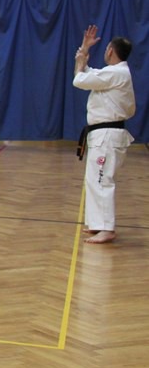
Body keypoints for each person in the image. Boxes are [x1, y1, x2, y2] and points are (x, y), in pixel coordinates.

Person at [72, 25, 135, 244]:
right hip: (103, 135)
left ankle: (107, 228)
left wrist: (83, 55)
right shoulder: (114, 74)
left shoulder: (116, 73)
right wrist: (83, 51)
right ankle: (98, 224)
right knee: (94, 180)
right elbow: (87, 74)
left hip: (107, 135)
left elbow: (79, 80)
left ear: (110, 51)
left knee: (102, 180)